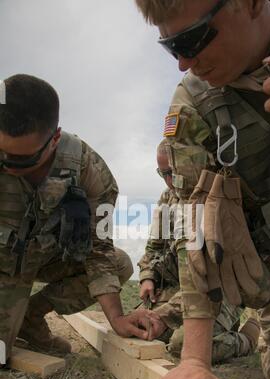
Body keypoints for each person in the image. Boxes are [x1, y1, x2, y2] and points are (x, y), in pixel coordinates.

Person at [135, 0, 270, 379]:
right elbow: (195, 227)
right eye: (172, 49)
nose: (185, 63)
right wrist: (194, 360)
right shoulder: (192, 104)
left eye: (192, 40)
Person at [0, 74, 160, 362]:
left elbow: (99, 251)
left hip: (46, 258)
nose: (9, 166)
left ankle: (30, 316)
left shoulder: (92, 173)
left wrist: (117, 319)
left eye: (22, 160)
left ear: (55, 139)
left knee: (119, 262)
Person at [138, 139, 260, 361]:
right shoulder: (168, 198)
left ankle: (249, 336)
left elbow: (212, 276)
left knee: (181, 345)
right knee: (140, 324)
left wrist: (163, 315)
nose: (168, 182)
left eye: (172, 173)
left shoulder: (218, 198)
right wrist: (148, 278)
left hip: (221, 291)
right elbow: (154, 247)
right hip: (181, 289)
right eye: (161, 173)